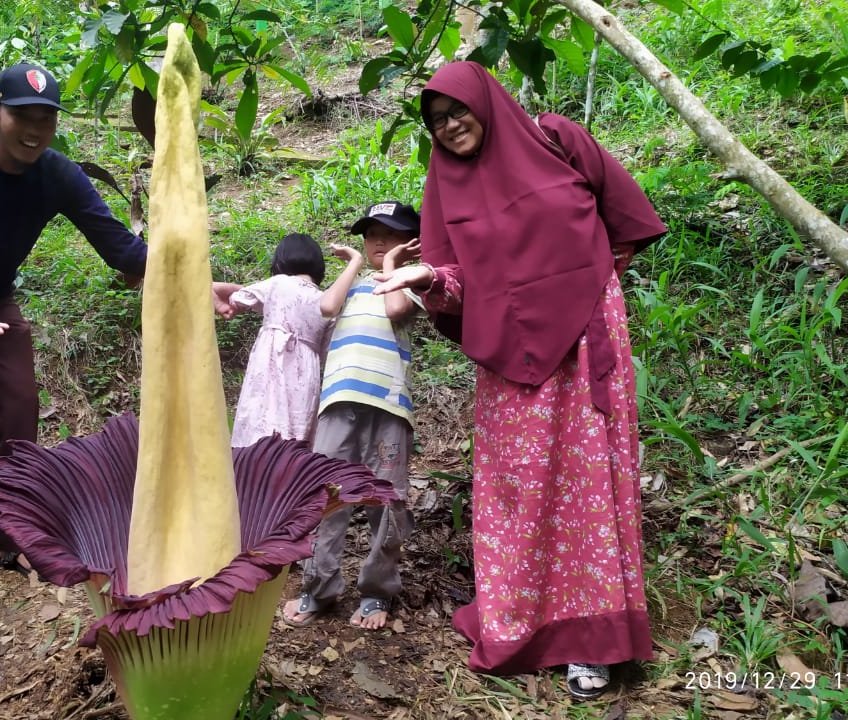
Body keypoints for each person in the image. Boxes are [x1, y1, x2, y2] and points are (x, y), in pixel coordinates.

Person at [0, 62, 236, 625]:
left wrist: (197, 283)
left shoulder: (57, 173)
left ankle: (10, 537)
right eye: (22, 117)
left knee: (20, 413)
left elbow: (121, 250)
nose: (34, 130)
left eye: (45, 120)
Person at [371, 61, 666, 697]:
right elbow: (451, 282)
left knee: (589, 482)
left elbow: (627, 225)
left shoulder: (557, 138)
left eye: (457, 112)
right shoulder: (446, 186)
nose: (449, 127)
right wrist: (426, 278)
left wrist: (587, 286)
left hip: (585, 345)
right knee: (520, 486)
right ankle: (520, 622)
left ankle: (596, 642)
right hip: (510, 359)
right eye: (436, 121)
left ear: (487, 103)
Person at [280, 201, 424, 632]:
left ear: (412, 245)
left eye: (393, 234)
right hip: (338, 400)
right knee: (325, 495)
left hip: (389, 405)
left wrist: (397, 265)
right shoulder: (351, 288)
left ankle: (377, 589)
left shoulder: (413, 284)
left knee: (388, 498)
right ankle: (318, 586)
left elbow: (398, 310)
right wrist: (357, 265)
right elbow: (326, 308)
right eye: (372, 233)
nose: (380, 241)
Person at [227, 233, 332, 447]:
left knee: (260, 418)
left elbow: (239, 298)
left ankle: (251, 468)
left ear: (280, 260)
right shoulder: (325, 302)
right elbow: (326, 351)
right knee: (297, 425)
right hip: (307, 370)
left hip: (272, 360)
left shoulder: (278, 283)